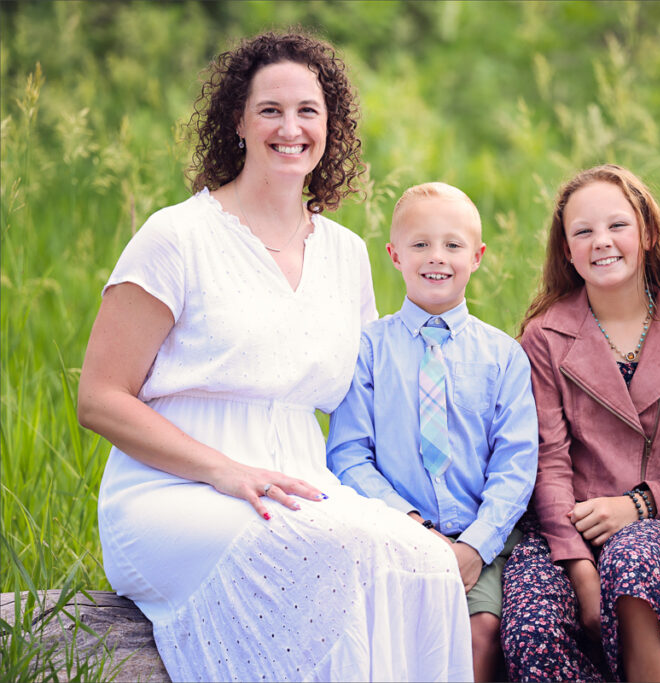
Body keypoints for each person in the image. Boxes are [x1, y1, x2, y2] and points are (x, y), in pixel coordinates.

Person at [77, 32, 472, 682]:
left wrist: (416, 511)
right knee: (328, 549)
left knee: (423, 560)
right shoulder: (176, 236)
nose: (291, 128)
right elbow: (100, 396)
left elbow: (363, 410)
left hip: (302, 482)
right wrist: (223, 470)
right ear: (237, 119)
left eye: (308, 111)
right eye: (270, 110)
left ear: (330, 126)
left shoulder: (345, 252)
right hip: (172, 492)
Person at [500, 164, 660, 682]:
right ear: (567, 250)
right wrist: (579, 569)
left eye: (617, 225)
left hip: (648, 522)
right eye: (583, 232)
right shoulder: (544, 337)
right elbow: (547, 461)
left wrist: (641, 504)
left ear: (648, 233)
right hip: (556, 530)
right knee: (530, 629)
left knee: (631, 574)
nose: (601, 242)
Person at [325, 182, 539, 682]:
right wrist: (414, 528)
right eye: (420, 244)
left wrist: (475, 546)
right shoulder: (368, 350)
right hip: (393, 534)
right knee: (389, 638)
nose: (436, 257)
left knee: (480, 629)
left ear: (478, 256)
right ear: (395, 255)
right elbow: (349, 456)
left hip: (476, 540)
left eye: (452, 245)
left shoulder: (504, 356)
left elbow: (515, 464)